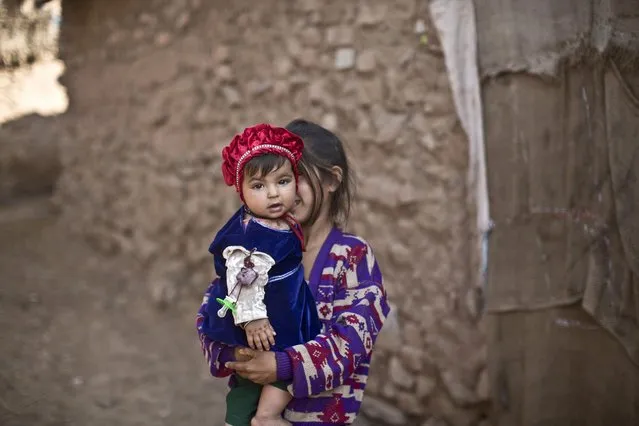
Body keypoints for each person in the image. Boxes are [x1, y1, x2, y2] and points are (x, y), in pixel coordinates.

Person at [197, 119, 391, 426]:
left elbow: (352, 344)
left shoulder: (352, 257)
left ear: (331, 180)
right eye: (266, 182)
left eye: (290, 178)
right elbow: (212, 312)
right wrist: (237, 353)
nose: (277, 192)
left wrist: (281, 364)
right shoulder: (254, 249)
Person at [198, 123, 322, 426]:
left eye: (282, 181)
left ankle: (248, 417)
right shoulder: (250, 235)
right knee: (264, 371)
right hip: (265, 318)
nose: (273, 194)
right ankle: (264, 416)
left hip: (282, 307)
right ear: (240, 191)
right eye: (258, 186)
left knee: (270, 371)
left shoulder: (275, 221)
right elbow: (244, 277)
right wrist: (253, 318)